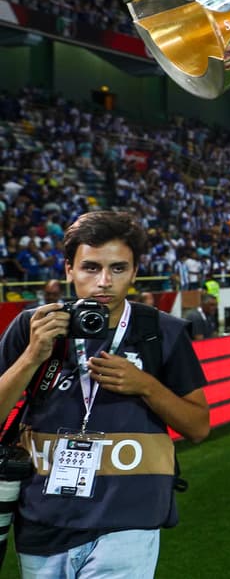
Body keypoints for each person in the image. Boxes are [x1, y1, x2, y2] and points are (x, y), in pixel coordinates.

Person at [0, 210, 210, 576]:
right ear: (69, 269)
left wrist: (145, 385)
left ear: (134, 271)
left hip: (129, 520)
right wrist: (33, 356)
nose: (103, 282)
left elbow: (198, 426)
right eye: (91, 267)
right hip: (43, 519)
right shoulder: (33, 327)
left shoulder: (163, 333)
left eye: (117, 268)